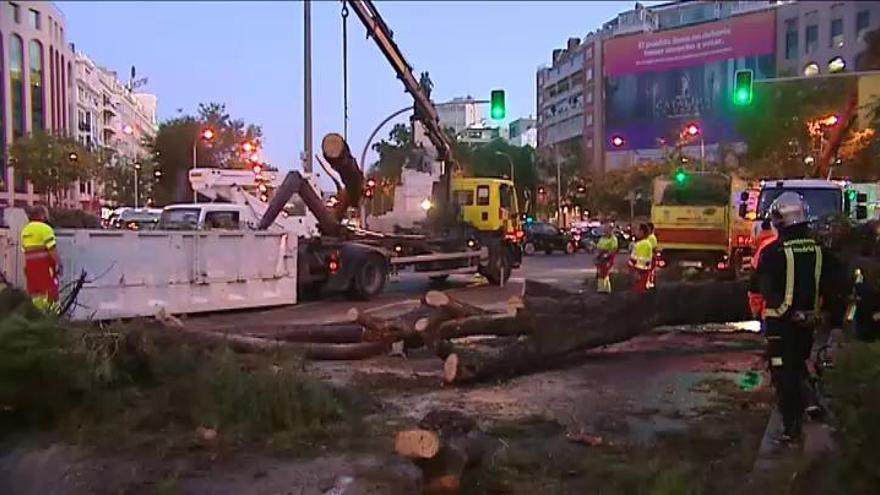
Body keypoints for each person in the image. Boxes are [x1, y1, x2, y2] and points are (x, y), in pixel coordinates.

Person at [750, 192, 844, 444]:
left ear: (780, 221)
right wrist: (830, 319)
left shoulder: (771, 252)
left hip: (780, 323)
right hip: (809, 323)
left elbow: (762, 287)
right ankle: (810, 401)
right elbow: (837, 287)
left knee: (784, 375)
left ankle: (792, 428)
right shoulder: (822, 252)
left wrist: (771, 314)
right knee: (799, 362)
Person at [20, 205, 62, 311]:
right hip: (45, 267)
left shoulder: (25, 230)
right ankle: (53, 315)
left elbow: (25, 249)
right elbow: (52, 249)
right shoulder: (45, 229)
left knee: (35, 293)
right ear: (42, 215)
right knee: (51, 291)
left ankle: (37, 315)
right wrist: (59, 264)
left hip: (30, 267)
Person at [747, 219, 778, 320]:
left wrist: (756, 311)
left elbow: (755, 285)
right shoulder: (782, 243)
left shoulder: (762, 250)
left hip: (770, 312)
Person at [629, 223, 654, 294]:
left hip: (640, 272)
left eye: (637, 230)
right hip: (641, 272)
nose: (636, 232)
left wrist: (636, 271)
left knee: (639, 293)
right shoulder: (645, 243)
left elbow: (640, 260)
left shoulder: (643, 244)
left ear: (642, 232)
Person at [595, 223, 619, 293]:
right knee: (600, 273)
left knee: (605, 273)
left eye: (607, 230)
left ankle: (606, 289)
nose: (605, 231)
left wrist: (606, 255)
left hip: (608, 257)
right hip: (600, 256)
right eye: (605, 230)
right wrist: (597, 255)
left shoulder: (613, 239)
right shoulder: (602, 238)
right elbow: (598, 247)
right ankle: (600, 289)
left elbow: (614, 249)